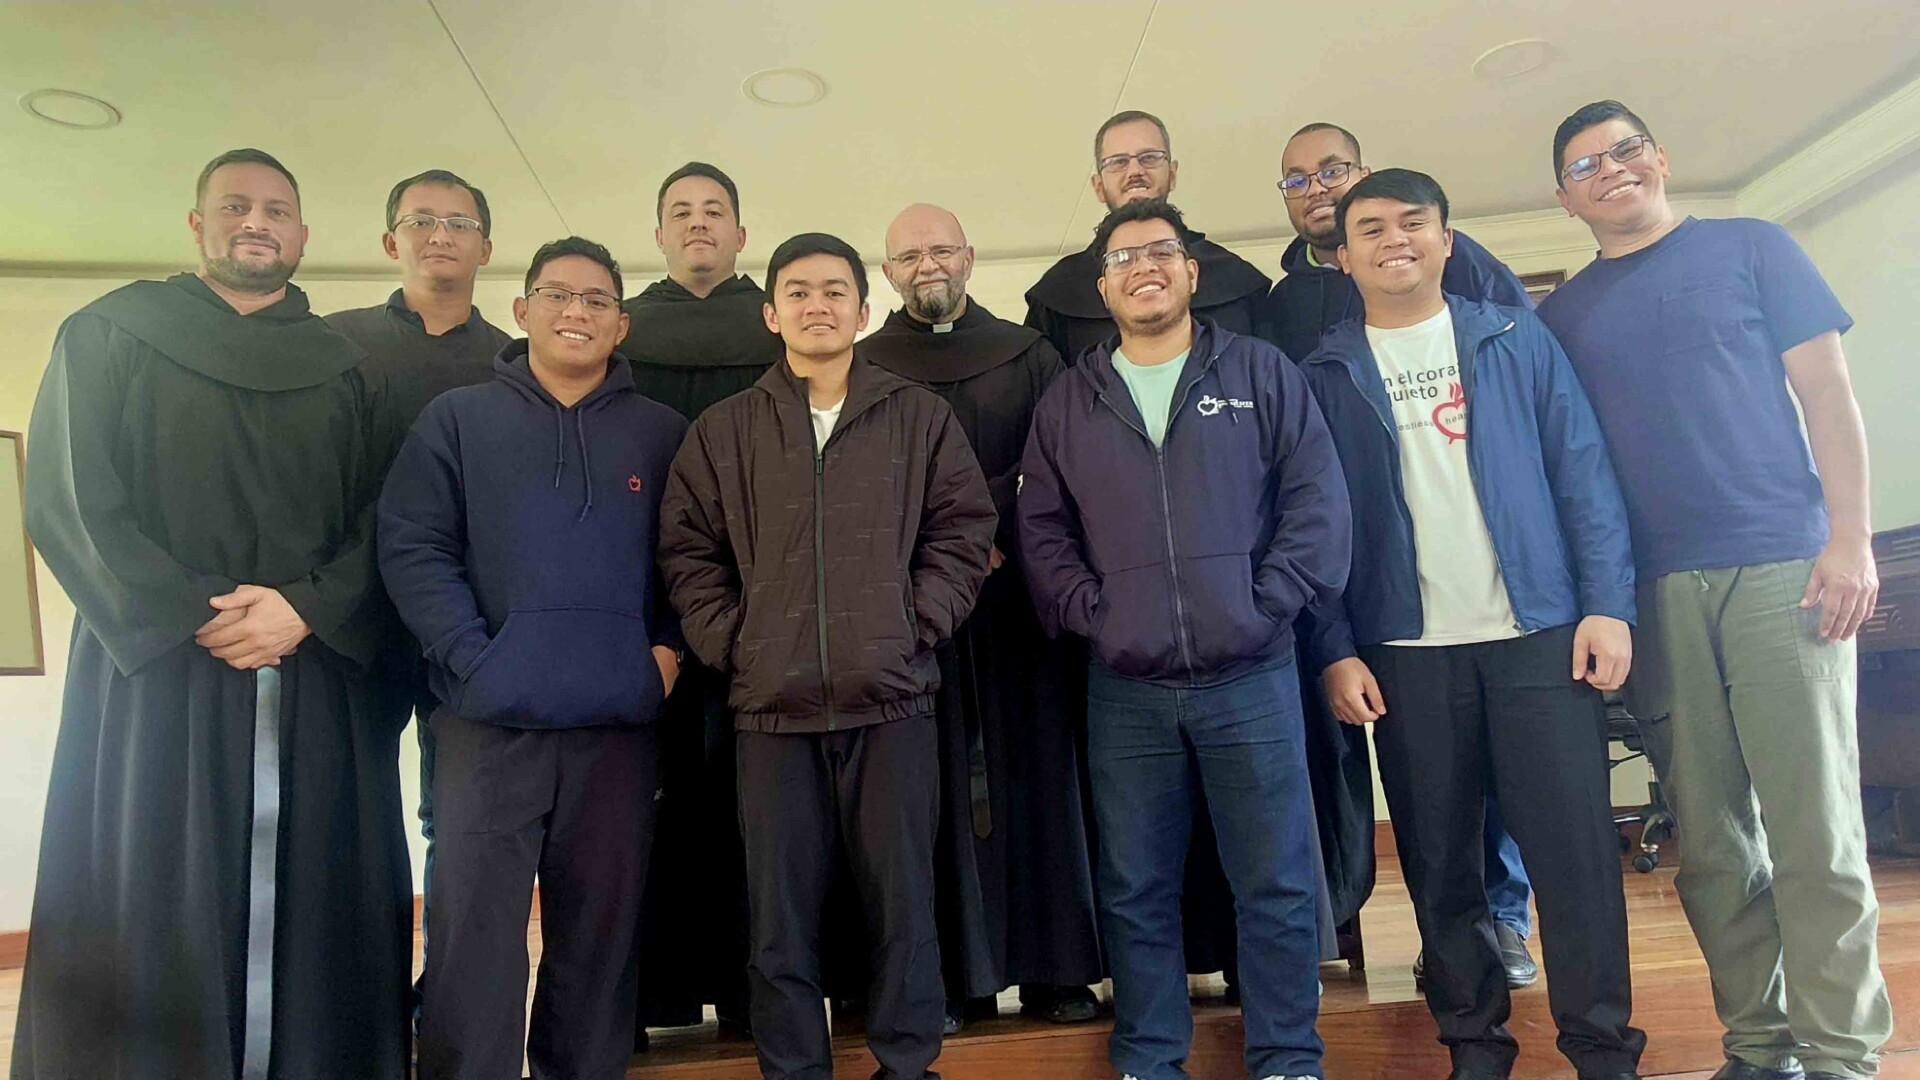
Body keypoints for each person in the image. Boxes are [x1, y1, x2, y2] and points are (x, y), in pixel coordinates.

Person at [14, 148, 411, 1079]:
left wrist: (305, 610)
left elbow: (385, 519)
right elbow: (71, 497)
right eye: (235, 206)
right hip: (159, 674)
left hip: (312, 668)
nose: (256, 222)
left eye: (276, 209)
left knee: (321, 885)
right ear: (198, 224)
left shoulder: (352, 370)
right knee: (153, 876)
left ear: (304, 234)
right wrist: (196, 613)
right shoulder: (109, 334)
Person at [1539, 100, 1892, 1080]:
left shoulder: (1754, 247)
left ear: (1659, 156)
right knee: (1712, 843)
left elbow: (1829, 394)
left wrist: (1851, 540)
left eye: (1624, 150)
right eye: (1585, 166)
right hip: (1654, 595)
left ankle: (1842, 1056)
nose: (1611, 170)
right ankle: (1759, 1046)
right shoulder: (1562, 318)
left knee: (1816, 830)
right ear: (1565, 199)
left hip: (1784, 568)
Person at [1299, 168, 1645, 1080]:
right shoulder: (1324, 374)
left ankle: (1604, 1051)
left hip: (1540, 635)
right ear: (1344, 258)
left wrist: (1607, 604)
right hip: (1404, 651)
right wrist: (1334, 649)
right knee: (1440, 865)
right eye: (1371, 228)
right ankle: (1474, 1045)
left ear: (1448, 240)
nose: (1395, 240)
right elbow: (1314, 525)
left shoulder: (1514, 338)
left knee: (1575, 860)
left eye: (1414, 222)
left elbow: (1583, 472)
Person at [1018, 197, 1349, 1080]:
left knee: (1276, 882)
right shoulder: (1068, 401)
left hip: (1253, 674)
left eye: (1161, 252)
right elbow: (1041, 532)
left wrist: (1267, 604)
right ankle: (1150, 1058)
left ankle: (1288, 1058)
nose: (1145, 268)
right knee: (1135, 888)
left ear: (1192, 272)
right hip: (1127, 688)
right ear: (1102, 288)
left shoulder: (1262, 372)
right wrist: (1098, 616)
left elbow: (1316, 499)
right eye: (1124, 259)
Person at [659, 232, 996, 1080]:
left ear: (863, 310)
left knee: (904, 908)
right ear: (771, 314)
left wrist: (912, 623)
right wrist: (736, 644)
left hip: (893, 703)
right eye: (799, 292)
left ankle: (907, 1064)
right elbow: (687, 553)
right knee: (779, 920)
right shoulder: (724, 431)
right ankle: (794, 1070)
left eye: (834, 291)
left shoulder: (919, 418)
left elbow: (964, 532)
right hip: (770, 713)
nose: (818, 305)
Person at [379, 236, 687, 1080]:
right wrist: (471, 659)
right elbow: (412, 545)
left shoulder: (662, 434)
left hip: (617, 729)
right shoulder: (456, 419)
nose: (575, 312)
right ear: (521, 311)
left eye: (596, 300)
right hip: (485, 728)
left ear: (621, 324)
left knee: (597, 942)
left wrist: (663, 655)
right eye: (557, 295)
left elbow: (694, 557)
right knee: (473, 939)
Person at [1258, 121, 1538, 989]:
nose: (1317, 188)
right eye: (1297, 179)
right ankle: (1441, 935)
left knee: (1494, 773)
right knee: (1419, 783)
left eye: (1331, 171)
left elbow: (1525, 383)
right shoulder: (1279, 305)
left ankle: (1505, 919)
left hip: (1487, 566)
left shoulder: (1461, 263)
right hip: (1361, 571)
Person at [858, 202, 1101, 1029]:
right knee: (932, 797)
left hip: (1018, 605)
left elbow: (1059, 455)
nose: (927, 265)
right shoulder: (866, 366)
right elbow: (865, 481)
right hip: (919, 610)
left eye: (941, 250)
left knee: (1040, 782)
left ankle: (1056, 970)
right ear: (888, 273)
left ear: (969, 257)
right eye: (909, 255)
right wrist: (955, 548)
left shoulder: (1029, 355)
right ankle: (957, 978)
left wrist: (991, 533)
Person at [325, 168, 513, 1018]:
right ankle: (354, 1009)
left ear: (486, 246)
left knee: (456, 821)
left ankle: (446, 1003)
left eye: (459, 222)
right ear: (390, 240)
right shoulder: (335, 346)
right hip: (349, 619)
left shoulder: (511, 362)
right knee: (353, 814)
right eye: (421, 220)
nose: (441, 235)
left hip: (466, 628)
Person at [621, 160, 780, 1038]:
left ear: (741, 234)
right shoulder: (626, 330)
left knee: (761, 805)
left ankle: (761, 995)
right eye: (680, 211)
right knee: (653, 799)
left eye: (715, 210)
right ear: (659, 234)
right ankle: (653, 996)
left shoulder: (775, 325)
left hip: (766, 602)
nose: (698, 223)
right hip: (647, 605)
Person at [1025, 110, 1270, 364]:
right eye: (1118, 162)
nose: (1135, 171)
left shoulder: (1235, 278)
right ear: (1098, 186)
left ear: (1172, 174)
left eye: (1149, 158)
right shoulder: (1060, 292)